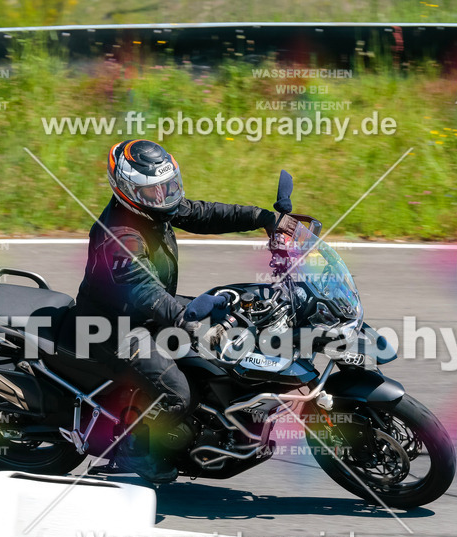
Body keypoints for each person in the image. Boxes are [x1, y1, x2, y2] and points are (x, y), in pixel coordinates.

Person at [74, 139, 298, 483]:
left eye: (168, 186)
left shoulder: (151, 206)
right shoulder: (119, 236)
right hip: (110, 329)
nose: (164, 195)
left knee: (240, 315)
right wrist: (186, 318)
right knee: (178, 394)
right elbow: (142, 293)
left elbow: (204, 213)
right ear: (128, 191)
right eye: (154, 191)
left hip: (149, 313)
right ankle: (133, 451)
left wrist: (264, 218)